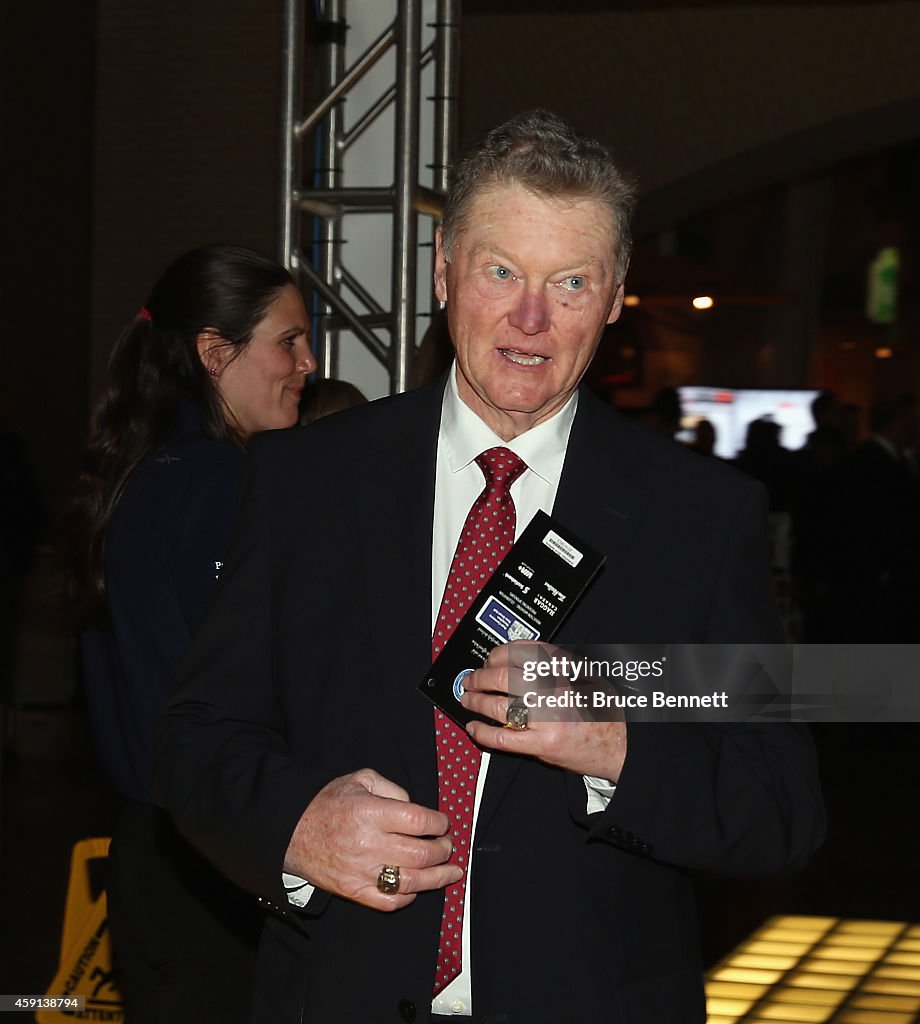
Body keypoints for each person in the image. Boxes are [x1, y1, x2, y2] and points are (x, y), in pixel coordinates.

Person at [154, 113, 824, 1024]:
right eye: (501, 271)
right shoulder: (307, 480)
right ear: (443, 269)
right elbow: (197, 734)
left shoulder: (697, 517)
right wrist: (296, 826)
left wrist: (611, 742)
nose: (532, 319)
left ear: (618, 294)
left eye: (572, 282)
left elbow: (779, 805)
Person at [64, 244, 314, 1023]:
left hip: (157, 851)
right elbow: (268, 680)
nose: (307, 363)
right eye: (289, 341)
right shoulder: (218, 483)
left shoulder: (139, 474)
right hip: (213, 864)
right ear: (214, 352)